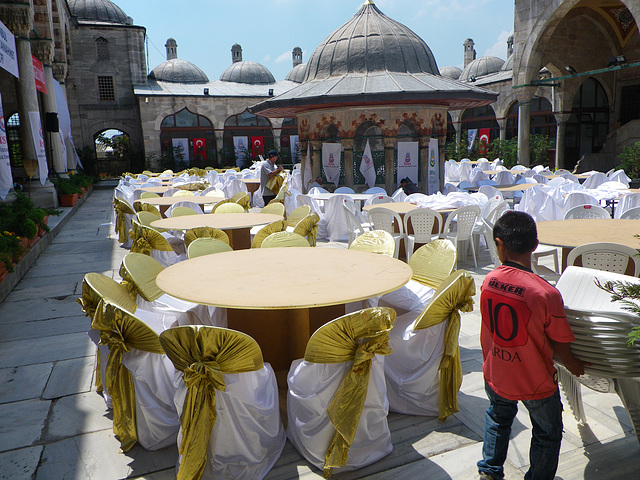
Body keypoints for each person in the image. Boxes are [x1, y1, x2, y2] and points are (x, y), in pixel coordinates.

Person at [477, 211, 587, 480]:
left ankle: (489, 472)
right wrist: (573, 364)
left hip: (497, 371)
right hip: (534, 378)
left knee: (498, 419)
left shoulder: (489, 280)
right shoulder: (546, 292)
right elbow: (560, 340)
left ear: (499, 244)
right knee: (547, 433)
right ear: (535, 246)